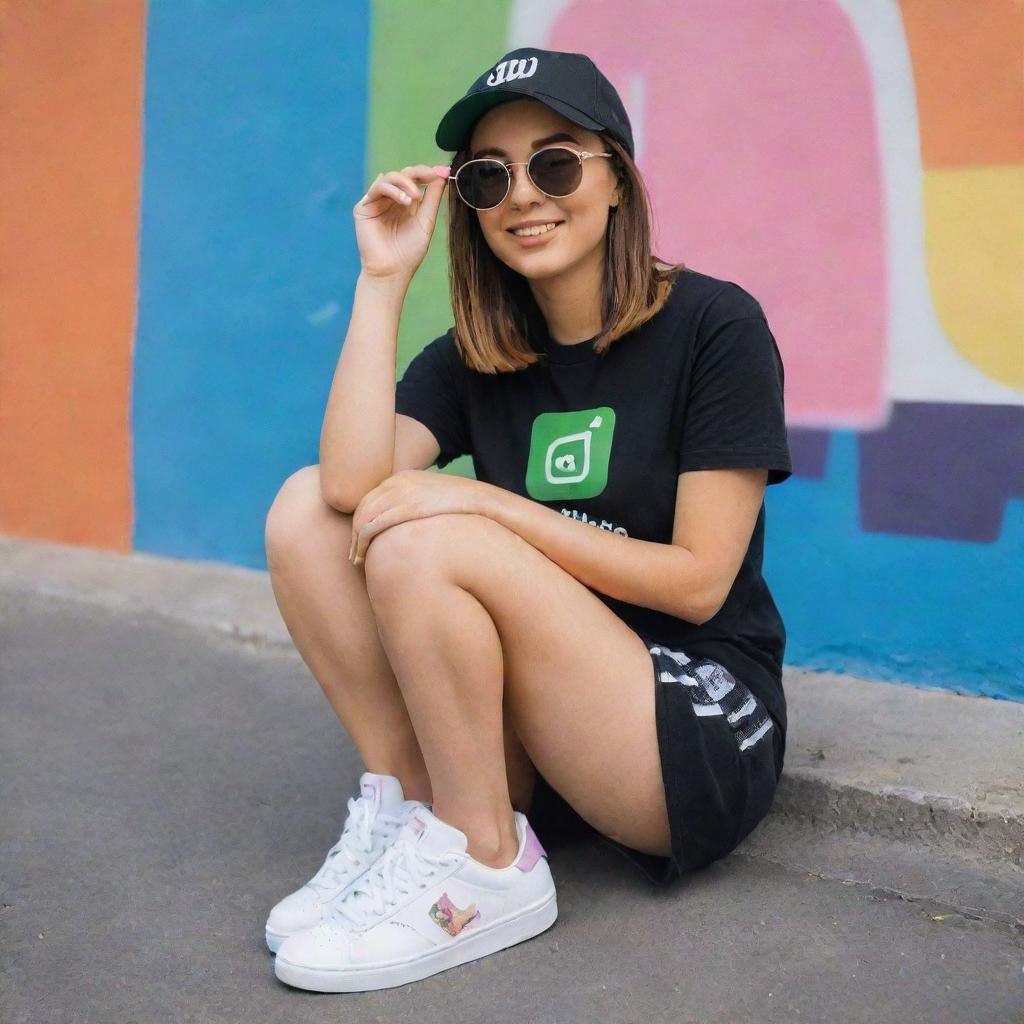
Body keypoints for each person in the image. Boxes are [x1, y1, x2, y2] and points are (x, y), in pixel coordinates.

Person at [263, 46, 793, 993]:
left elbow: (699, 580)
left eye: (555, 163)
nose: (523, 196)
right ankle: (419, 811)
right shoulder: (478, 354)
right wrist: (382, 279)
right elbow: (346, 487)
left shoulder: (715, 326)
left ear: (618, 182)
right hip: (548, 731)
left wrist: (483, 502)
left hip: (685, 725)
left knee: (435, 532)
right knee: (305, 507)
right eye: (488, 176)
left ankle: (488, 867)